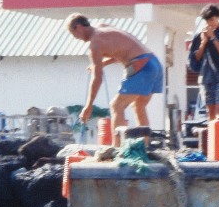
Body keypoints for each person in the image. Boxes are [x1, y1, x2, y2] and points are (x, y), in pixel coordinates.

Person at [65, 13, 163, 144]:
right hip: (154, 62)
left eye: (73, 34)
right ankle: (144, 146)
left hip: (140, 65)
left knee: (116, 106)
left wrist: (88, 106)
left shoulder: (95, 44)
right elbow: (121, 50)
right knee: (139, 105)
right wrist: (103, 63)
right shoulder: (104, 27)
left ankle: (117, 148)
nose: (76, 38)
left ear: (78, 27)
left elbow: (97, 78)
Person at [189, 4, 219, 122]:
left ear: (218, 18)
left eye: (212, 19)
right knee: (210, 113)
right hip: (206, 78)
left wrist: (213, 37)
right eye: (207, 20)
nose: (209, 23)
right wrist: (204, 42)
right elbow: (196, 58)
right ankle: (212, 133)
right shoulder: (200, 36)